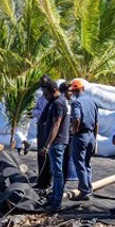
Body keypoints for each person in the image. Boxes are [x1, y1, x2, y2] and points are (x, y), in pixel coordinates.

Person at [39, 80, 70, 212]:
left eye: (46, 94)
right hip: (57, 142)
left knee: (57, 173)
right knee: (56, 171)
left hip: (57, 142)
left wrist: (47, 145)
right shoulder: (56, 102)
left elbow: (56, 125)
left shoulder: (58, 104)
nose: (45, 97)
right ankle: (53, 198)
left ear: (53, 91)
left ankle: (56, 202)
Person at [69, 79, 99, 201]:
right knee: (87, 163)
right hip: (91, 135)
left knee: (79, 163)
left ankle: (84, 190)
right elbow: (97, 123)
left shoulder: (77, 103)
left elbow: (76, 119)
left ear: (74, 91)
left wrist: (74, 130)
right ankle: (89, 188)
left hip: (81, 136)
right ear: (83, 89)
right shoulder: (92, 102)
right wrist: (95, 140)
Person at [33, 75, 53, 187]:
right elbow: (35, 110)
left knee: (46, 154)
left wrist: (39, 113)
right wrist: (37, 113)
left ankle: (47, 181)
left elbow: (46, 113)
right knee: (40, 154)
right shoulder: (41, 97)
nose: (42, 87)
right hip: (41, 127)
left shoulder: (50, 98)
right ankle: (41, 179)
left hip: (47, 127)